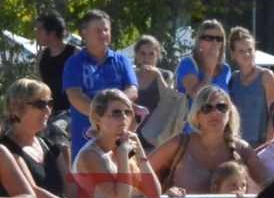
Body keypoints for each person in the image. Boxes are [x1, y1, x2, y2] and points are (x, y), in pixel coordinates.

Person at [148, 84, 261, 195]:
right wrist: (164, 195)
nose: (215, 113)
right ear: (196, 115)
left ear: (229, 114)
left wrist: (246, 190)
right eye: (207, 108)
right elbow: (140, 173)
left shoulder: (242, 149)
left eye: (221, 107)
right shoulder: (179, 144)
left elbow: (267, 186)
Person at [62, 9, 138, 158]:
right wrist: (102, 116)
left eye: (106, 30)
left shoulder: (122, 61)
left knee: (128, 175)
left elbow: (133, 90)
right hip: (85, 140)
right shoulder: (74, 63)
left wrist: (112, 113)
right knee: (91, 179)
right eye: (98, 30)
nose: (103, 34)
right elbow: (75, 96)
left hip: (120, 139)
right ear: (84, 33)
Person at [71, 89, 161, 198]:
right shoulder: (90, 155)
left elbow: (154, 193)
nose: (124, 117)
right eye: (116, 113)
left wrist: (141, 154)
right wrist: (123, 156)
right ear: (98, 118)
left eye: (128, 112)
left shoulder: (126, 148)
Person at [2, 79, 73, 198]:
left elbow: (71, 188)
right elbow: (34, 193)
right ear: (16, 108)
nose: (47, 110)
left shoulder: (50, 146)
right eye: (40, 104)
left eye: (50, 103)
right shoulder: (5, 148)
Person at [130, 36, 184, 150]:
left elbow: (169, 99)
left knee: (150, 166)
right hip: (132, 135)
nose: (146, 58)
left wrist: (158, 77)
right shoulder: (130, 75)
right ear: (137, 55)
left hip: (155, 137)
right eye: (143, 53)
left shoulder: (166, 75)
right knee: (131, 164)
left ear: (157, 56)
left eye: (151, 54)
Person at [226, 28, 274, 145]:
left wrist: (269, 143)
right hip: (237, 143)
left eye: (250, 50)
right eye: (241, 51)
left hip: (261, 143)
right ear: (233, 54)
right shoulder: (232, 78)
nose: (247, 54)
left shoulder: (266, 76)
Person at [34, 11, 78, 118]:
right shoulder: (41, 56)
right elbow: (40, 86)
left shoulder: (75, 54)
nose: (37, 33)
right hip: (49, 114)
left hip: (73, 113)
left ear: (52, 32)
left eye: (40, 29)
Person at [177, 19, 232, 100]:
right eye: (209, 38)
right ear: (199, 41)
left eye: (219, 39)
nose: (214, 43)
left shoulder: (225, 69)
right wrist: (209, 71)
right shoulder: (188, 63)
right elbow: (195, 96)